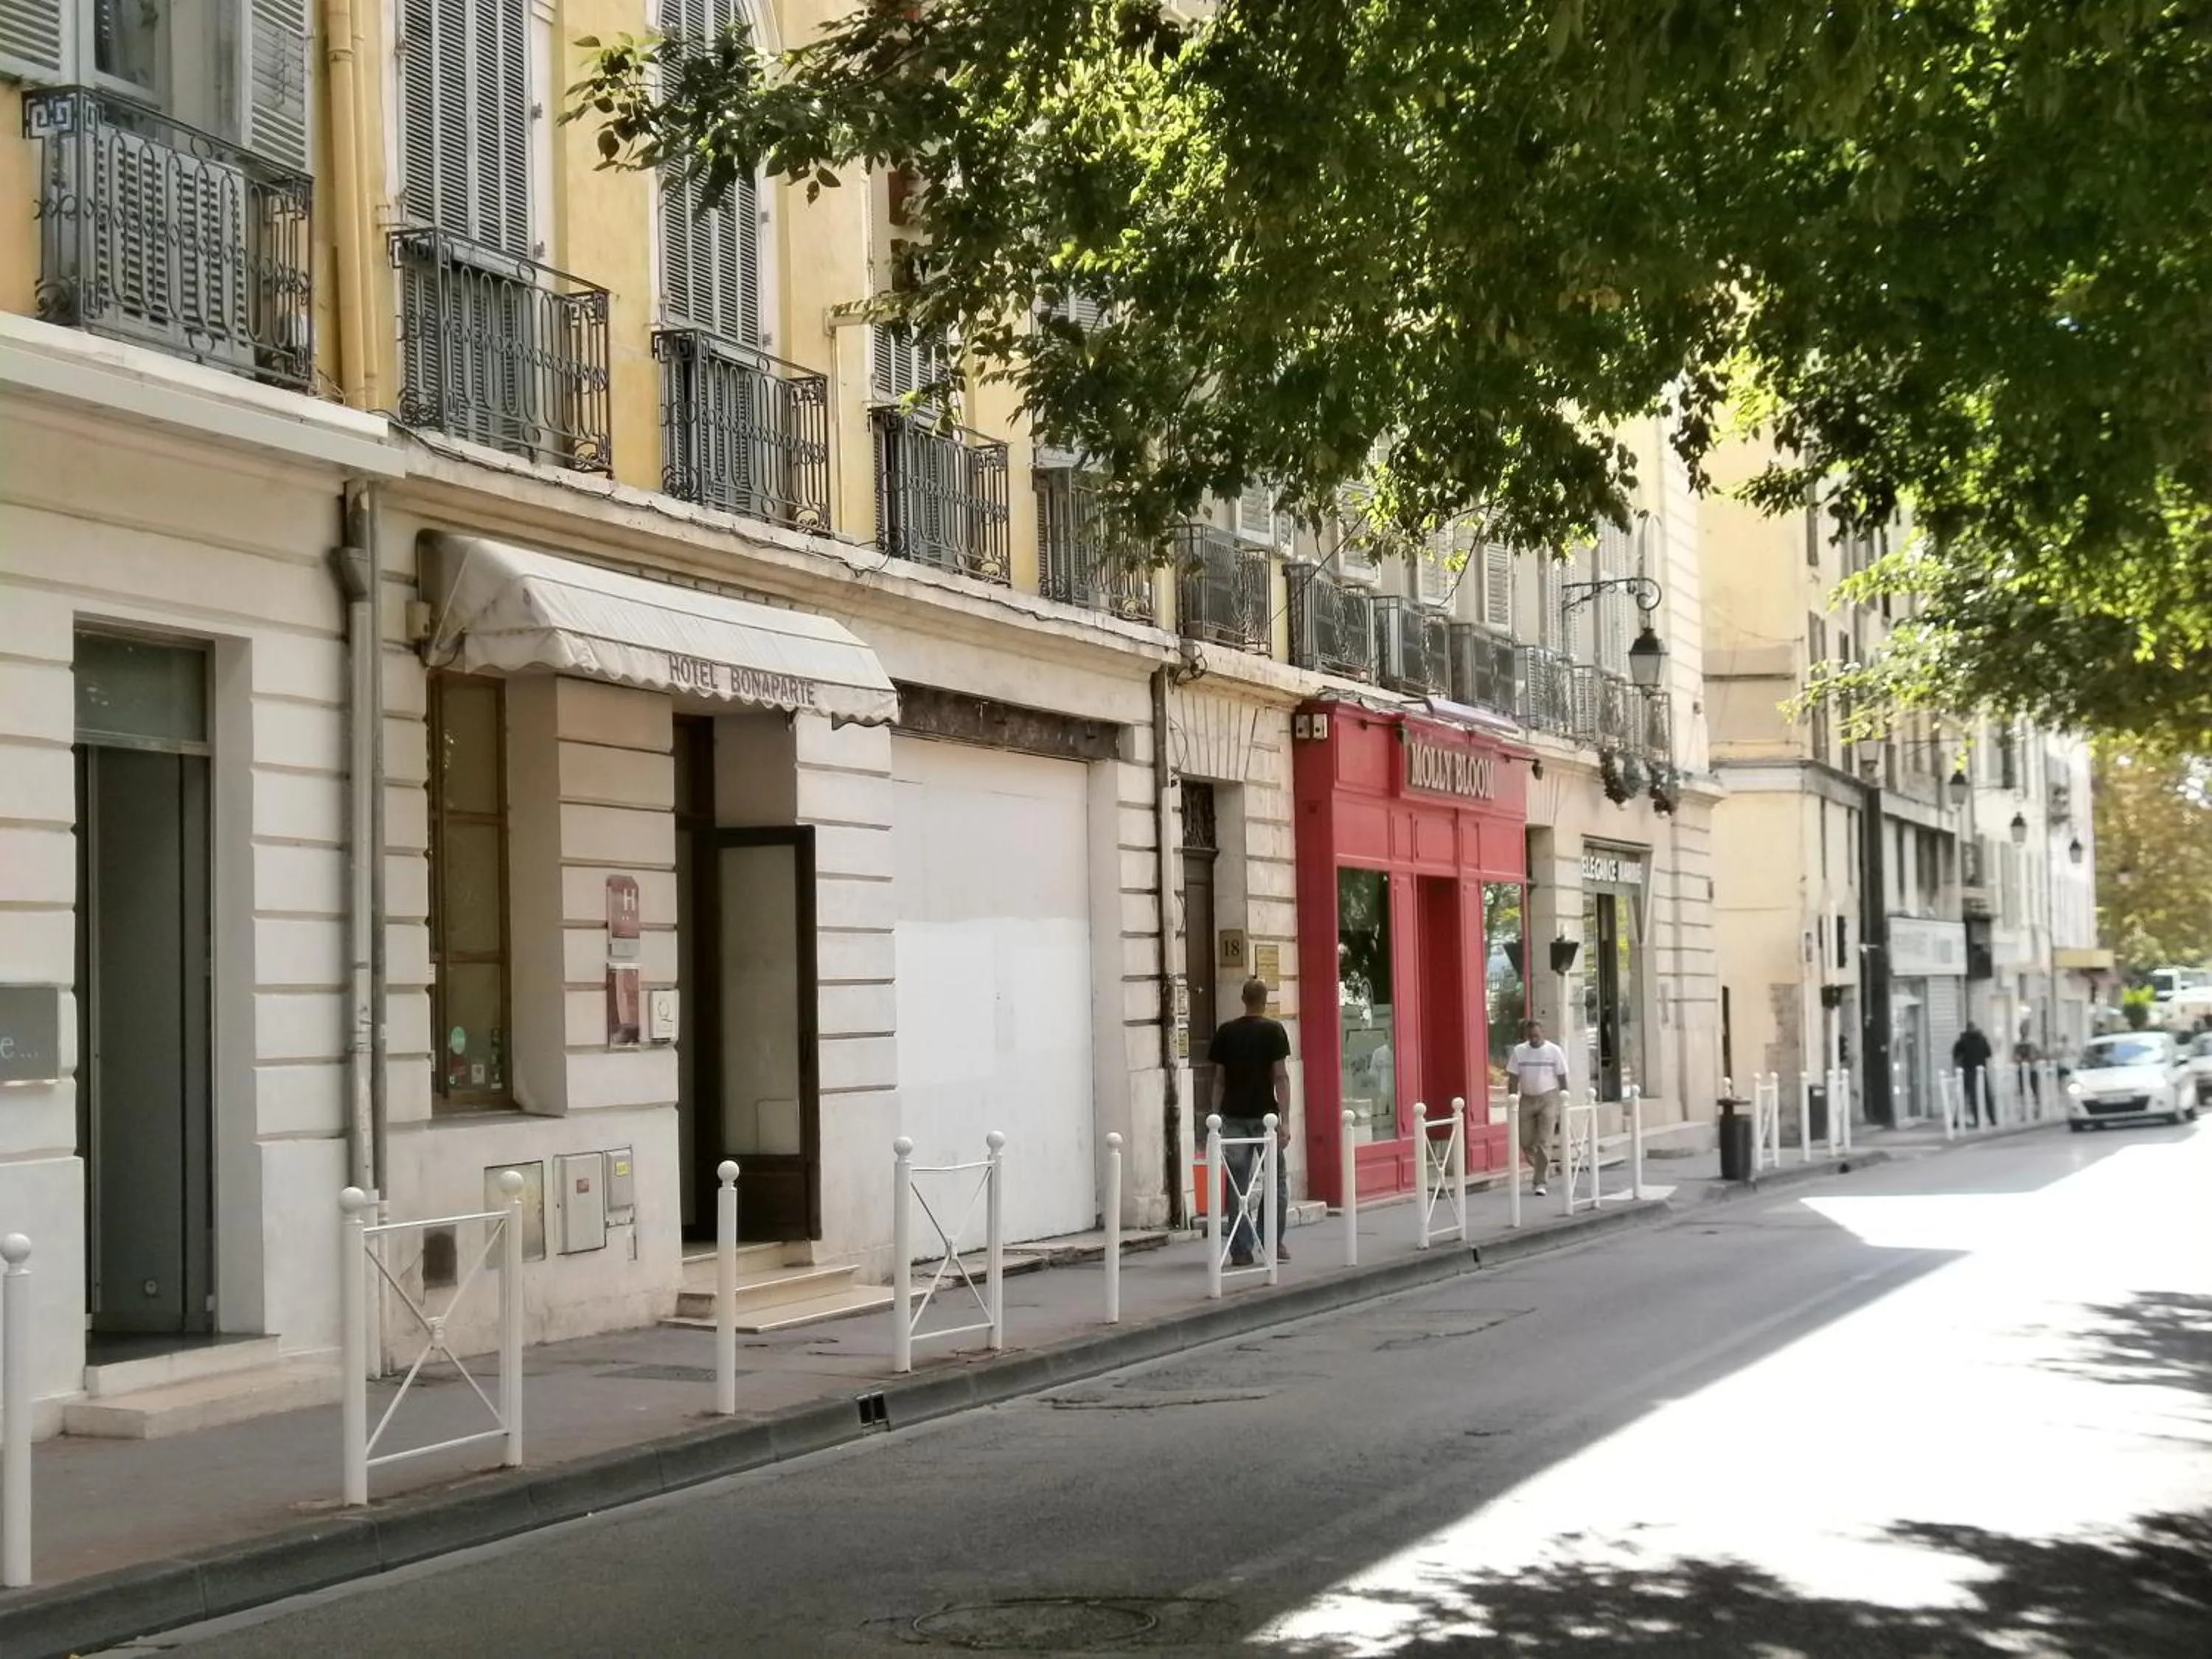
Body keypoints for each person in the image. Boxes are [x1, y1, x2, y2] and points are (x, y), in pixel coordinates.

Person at [1207, 976, 1293, 1267]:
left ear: (1243, 999)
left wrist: (1214, 1118)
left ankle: (1240, 1249)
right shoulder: (1274, 1031)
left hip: (1232, 1116)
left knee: (1236, 1184)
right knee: (1276, 1180)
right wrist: (1285, 1120)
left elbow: (1219, 1080)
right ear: (1265, 1001)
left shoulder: (1226, 1032)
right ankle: (1271, 1241)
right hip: (1265, 1118)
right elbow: (1280, 1076)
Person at [1506, 1018, 1571, 1196]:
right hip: (1526, 1098)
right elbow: (1513, 1077)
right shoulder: (1520, 1052)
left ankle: (1540, 1182)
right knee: (1525, 1141)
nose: (1534, 1039)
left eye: (1536, 1035)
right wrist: (1512, 1099)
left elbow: (1562, 1076)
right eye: (1530, 1036)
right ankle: (1542, 1167)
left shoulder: (1554, 1051)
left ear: (1543, 1034)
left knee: (1544, 1141)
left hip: (1548, 1097)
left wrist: (1564, 1099)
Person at [1952, 1020, 1994, 1125]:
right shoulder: (1982, 1039)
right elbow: (1988, 1053)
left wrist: (1959, 1065)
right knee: (1986, 1096)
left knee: (1966, 1096)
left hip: (1968, 1070)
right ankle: (1992, 1118)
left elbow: (1956, 1054)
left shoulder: (1963, 1040)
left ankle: (1965, 1120)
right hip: (1981, 1069)